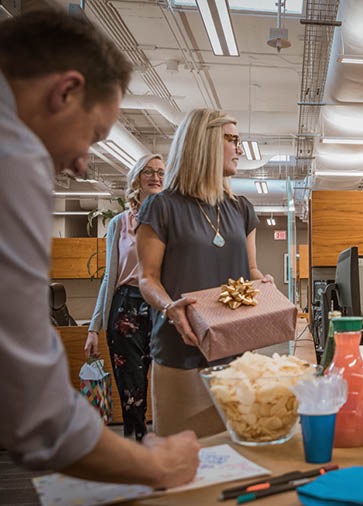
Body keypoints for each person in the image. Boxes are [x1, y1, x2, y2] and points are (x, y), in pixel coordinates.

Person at [0, 10, 198, 487]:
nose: (85, 166)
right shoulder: (14, 157)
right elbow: (36, 414)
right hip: (129, 310)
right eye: (92, 135)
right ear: (65, 91)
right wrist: (157, 466)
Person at [137, 108, 273, 438]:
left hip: (235, 353)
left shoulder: (241, 209)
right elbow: (147, 278)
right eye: (232, 140)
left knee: (235, 453)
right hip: (181, 353)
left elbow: (250, 269)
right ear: (205, 142)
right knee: (185, 463)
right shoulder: (161, 207)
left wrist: (263, 283)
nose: (239, 148)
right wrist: (169, 307)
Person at [84, 154, 165, 442]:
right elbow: (110, 276)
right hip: (126, 307)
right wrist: (94, 328)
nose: (156, 177)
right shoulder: (119, 222)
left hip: (161, 306)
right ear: (136, 179)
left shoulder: (169, 219)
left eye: (160, 172)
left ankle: (165, 444)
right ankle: (138, 445)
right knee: (132, 387)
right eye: (148, 172)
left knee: (167, 381)